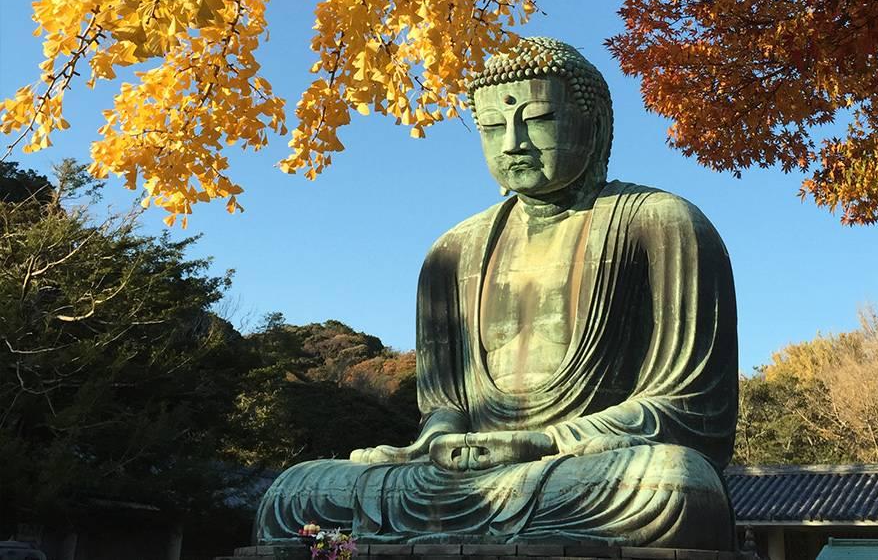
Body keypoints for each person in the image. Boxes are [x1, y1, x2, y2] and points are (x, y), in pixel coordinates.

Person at [254, 38, 738, 549]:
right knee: (295, 492)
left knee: (670, 482)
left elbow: (691, 408)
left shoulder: (660, 221)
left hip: (586, 466)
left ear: (593, 126)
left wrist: (543, 441)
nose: (513, 142)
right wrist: (437, 442)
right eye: (491, 127)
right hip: (465, 475)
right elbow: (444, 405)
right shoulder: (452, 250)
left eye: (538, 119)